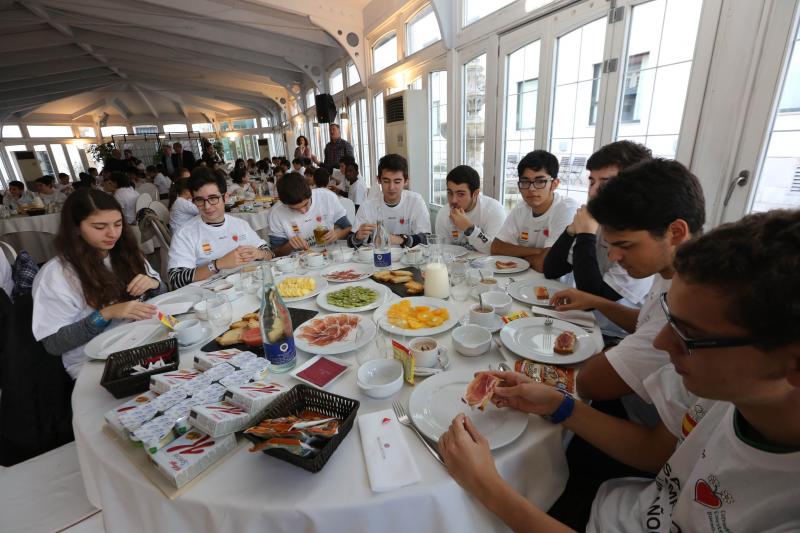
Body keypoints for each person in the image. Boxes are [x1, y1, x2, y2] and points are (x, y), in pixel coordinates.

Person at [439, 209, 800, 533]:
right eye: (669, 321)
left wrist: (486, 485)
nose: (661, 343)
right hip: (617, 503)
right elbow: (657, 451)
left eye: (689, 336)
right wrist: (556, 403)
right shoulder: (730, 394)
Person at [553, 159, 706, 413]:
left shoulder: (689, 301)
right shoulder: (671, 267)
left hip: (635, 415)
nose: (613, 256)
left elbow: (590, 384)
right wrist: (597, 302)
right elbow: (645, 321)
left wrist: (615, 350)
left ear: (676, 232)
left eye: (625, 246)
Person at [31, 189, 163, 379]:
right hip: (98, 364)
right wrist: (106, 313)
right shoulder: (57, 275)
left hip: (143, 341)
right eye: (100, 227)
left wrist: (153, 285)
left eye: (118, 224)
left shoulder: (125, 253)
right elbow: (54, 343)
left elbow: (162, 292)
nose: (112, 234)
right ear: (75, 228)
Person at [544, 140, 654, 341]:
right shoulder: (599, 222)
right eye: (592, 182)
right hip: (582, 322)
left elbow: (594, 297)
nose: (593, 192)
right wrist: (571, 230)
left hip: (616, 335)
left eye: (606, 184)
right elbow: (552, 269)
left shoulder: (645, 237)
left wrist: (585, 233)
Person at [167, 167, 273, 289]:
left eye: (213, 198)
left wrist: (259, 254)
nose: (207, 206)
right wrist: (217, 264)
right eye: (199, 200)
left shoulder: (240, 224)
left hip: (248, 288)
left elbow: (269, 252)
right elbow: (176, 279)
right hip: (209, 299)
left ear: (225, 198)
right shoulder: (185, 233)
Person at [492, 150, 579, 272]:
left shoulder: (567, 209)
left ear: (554, 184)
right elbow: (496, 248)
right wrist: (538, 252)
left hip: (556, 286)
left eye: (540, 181)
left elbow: (544, 264)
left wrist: (520, 256)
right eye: (525, 182)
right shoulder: (522, 208)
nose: (531, 189)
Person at [351, 154, 431, 248]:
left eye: (397, 182)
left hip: (409, 259)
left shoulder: (415, 201)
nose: (391, 187)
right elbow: (350, 240)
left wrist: (401, 239)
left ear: (406, 181)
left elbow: (426, 238)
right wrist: (357, 237)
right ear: (379, 180)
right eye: (386, 181)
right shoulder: (368, 205)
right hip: (377, 258)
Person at [267, 172, 351, 256]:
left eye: (305, 204)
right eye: (295, 209)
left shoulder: (327, 197)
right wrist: (289, 246)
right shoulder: (276, 213)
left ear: (310, 191)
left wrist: (337, 234)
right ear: (285, 204)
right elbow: (275, 253)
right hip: (299, 261)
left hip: (330, 253)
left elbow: (348, 227)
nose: (303, 211)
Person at [435, 165, 507, 254]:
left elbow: (494, 250)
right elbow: (443, 251)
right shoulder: (443, 213)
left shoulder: (494, 210)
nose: (453, 200)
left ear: (475, 193)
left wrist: (469, 229)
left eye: (460, 194)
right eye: (450, 193)